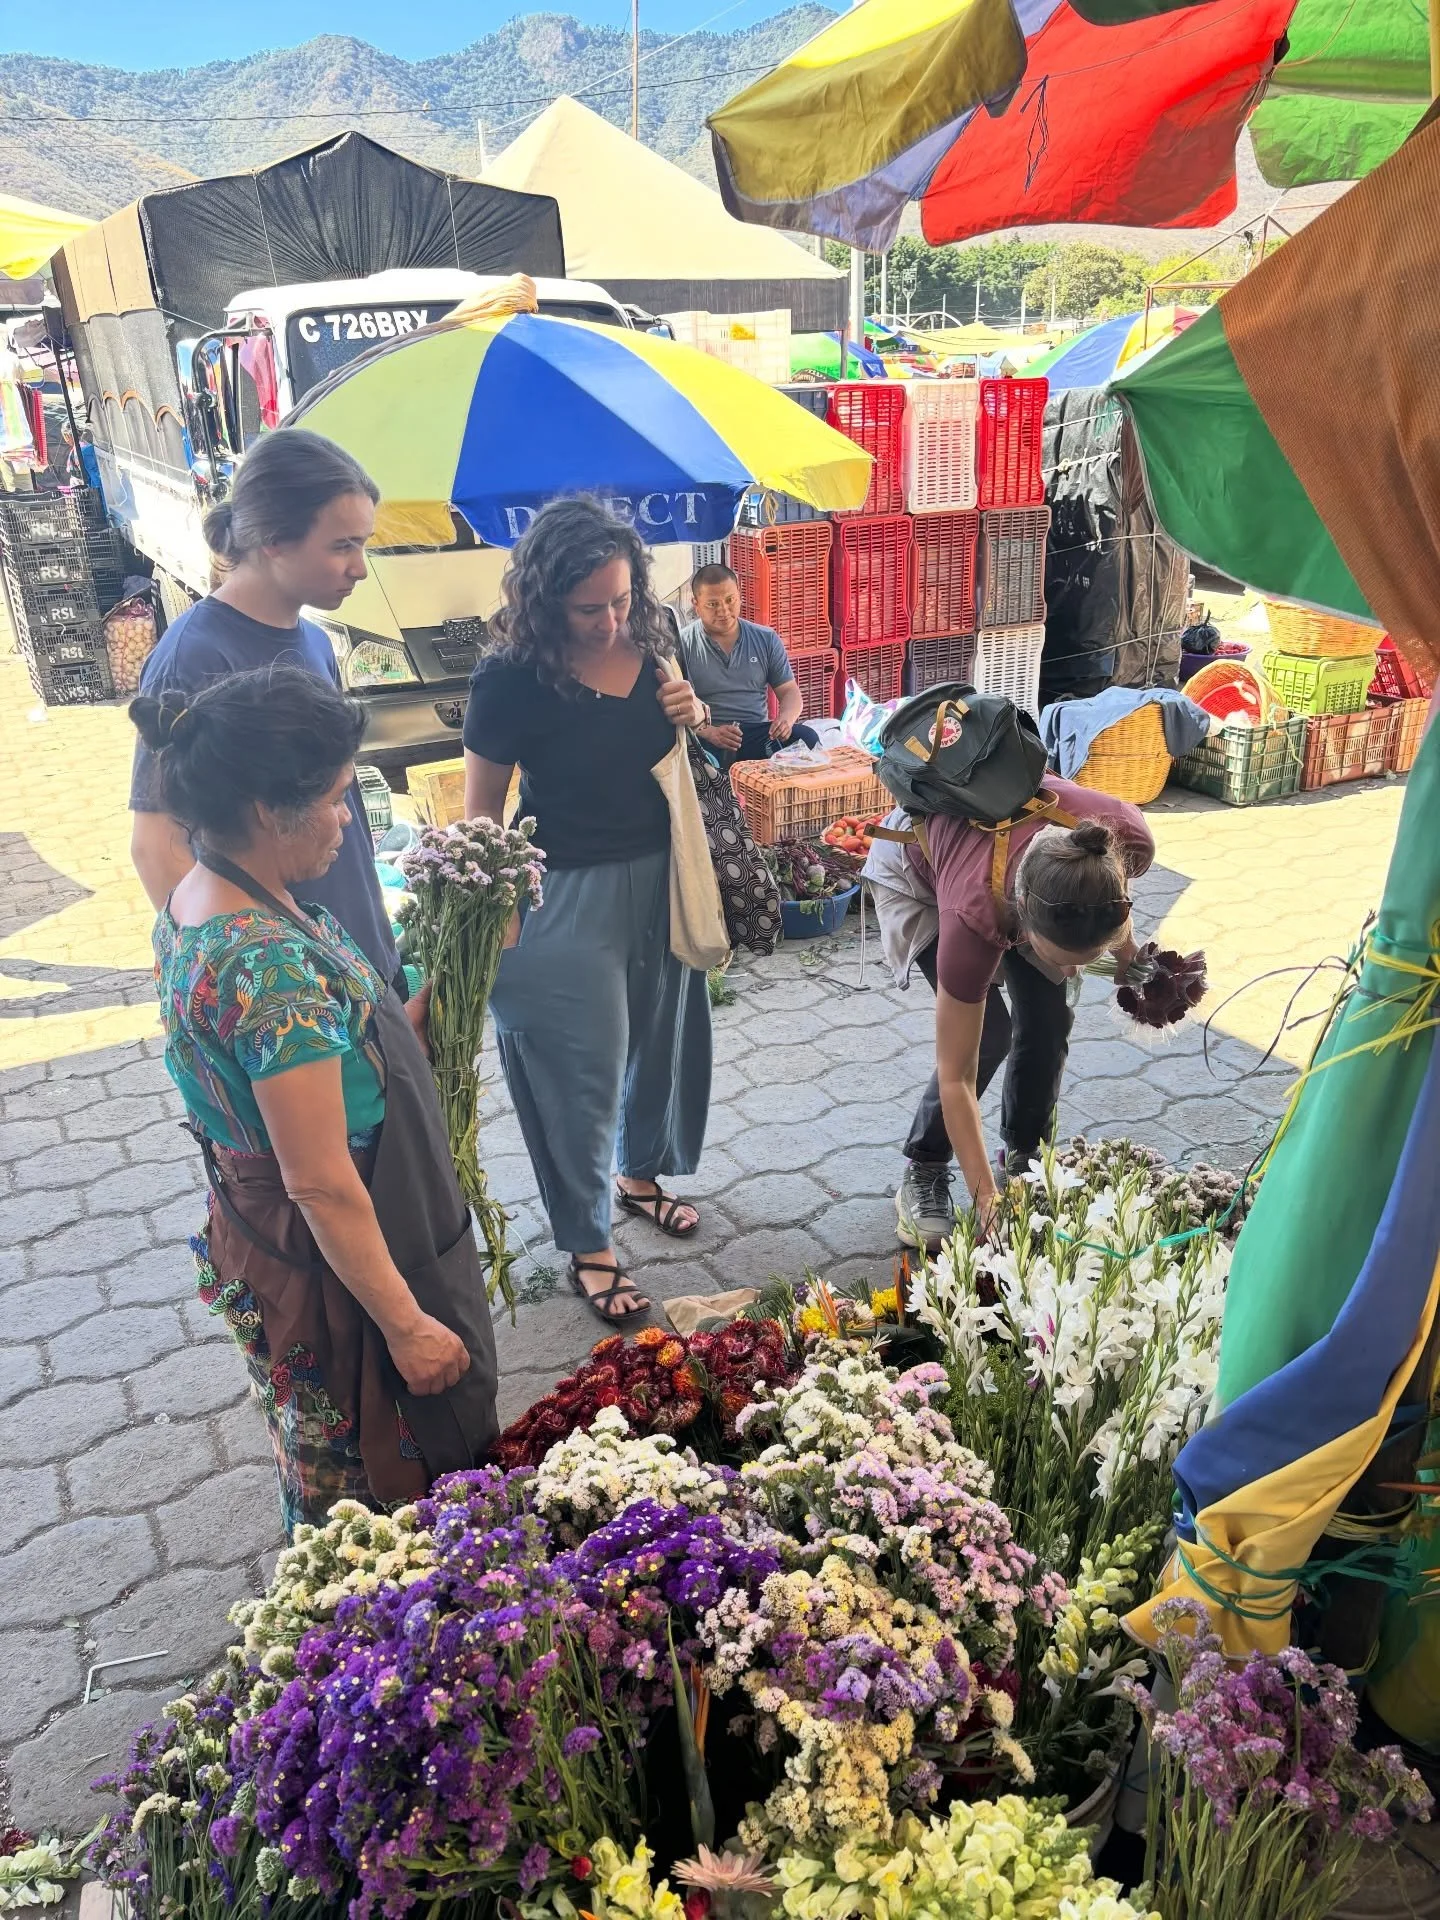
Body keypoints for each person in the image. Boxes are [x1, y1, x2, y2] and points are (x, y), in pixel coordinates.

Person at [134, 665, 498, 1536]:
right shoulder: (267, 967)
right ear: (269, 809)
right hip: (332, 1261)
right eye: (336, 799)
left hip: (268, 1235)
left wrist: (448, 981)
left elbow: (330, 1056)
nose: (348, 820)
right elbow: (321, 1182)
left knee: (320, 1456)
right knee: (375, 1498)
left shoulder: (201, 894)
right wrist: (407, 1327)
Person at [462, 496, 712, 1323]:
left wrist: (695, 713)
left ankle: (639, 1176)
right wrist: (498, 917)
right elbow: (479, 813)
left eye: (621, 599)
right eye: (588, 608)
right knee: (580, 1075)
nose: (610, 621)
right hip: (561, 893)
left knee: (662, 1041)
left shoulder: (656, 635)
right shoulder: (509, 676)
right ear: (545, 601)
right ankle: (589, 1244)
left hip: (665, 876)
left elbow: (686, 748)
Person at [129, 429, 401, 991]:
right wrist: (258, 983)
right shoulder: (194, 658)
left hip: (357, 958)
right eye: (342, 546)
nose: (359, 567)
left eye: (363, 544)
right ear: (274, 540)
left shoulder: (315, 640)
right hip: (292, 987)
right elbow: (158, 848)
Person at [866, 785, 1155, 1251]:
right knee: (989, 1035)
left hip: (1027, 872)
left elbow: (1110, 895)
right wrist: (985, 1200)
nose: (1072, 972)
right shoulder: (974, 916)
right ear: (1022, 921)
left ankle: (1024, 1156)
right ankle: (925, 1165)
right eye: (1062, 958)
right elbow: (956, 1078)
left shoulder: (1126, 839)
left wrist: (1126, 953)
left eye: (1083, 961)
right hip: (917, 871)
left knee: (1049, 1016)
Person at [681, 562, 821, 767]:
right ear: (696, 604)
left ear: (740, 595)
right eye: (712, 604)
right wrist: (709, 732)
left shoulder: (766, 639)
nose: (723, 610)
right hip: (707, 738)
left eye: (730, 600)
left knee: (807, 738)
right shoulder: (681, 645)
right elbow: (675, 708)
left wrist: (785, 719)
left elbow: (790, 691)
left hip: (756, 735)